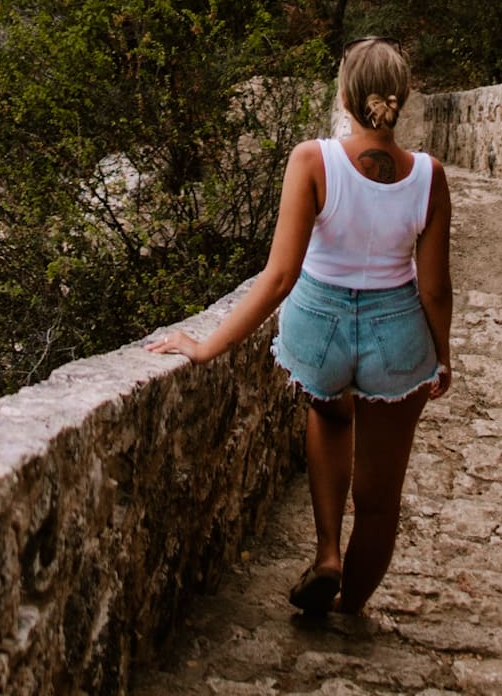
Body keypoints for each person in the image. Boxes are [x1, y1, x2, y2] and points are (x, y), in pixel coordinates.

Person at [148, 37, 452, 621]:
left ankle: (328, 553)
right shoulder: (428, 178)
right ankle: (350, 606)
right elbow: (435, 287)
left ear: (343, 95)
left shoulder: (312, 161)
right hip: (396, 332)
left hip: (319, 327)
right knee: (380, 499)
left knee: (330, 412)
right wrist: (443, 355)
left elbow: (280, 274)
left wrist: (208, 344)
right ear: (403, 99)